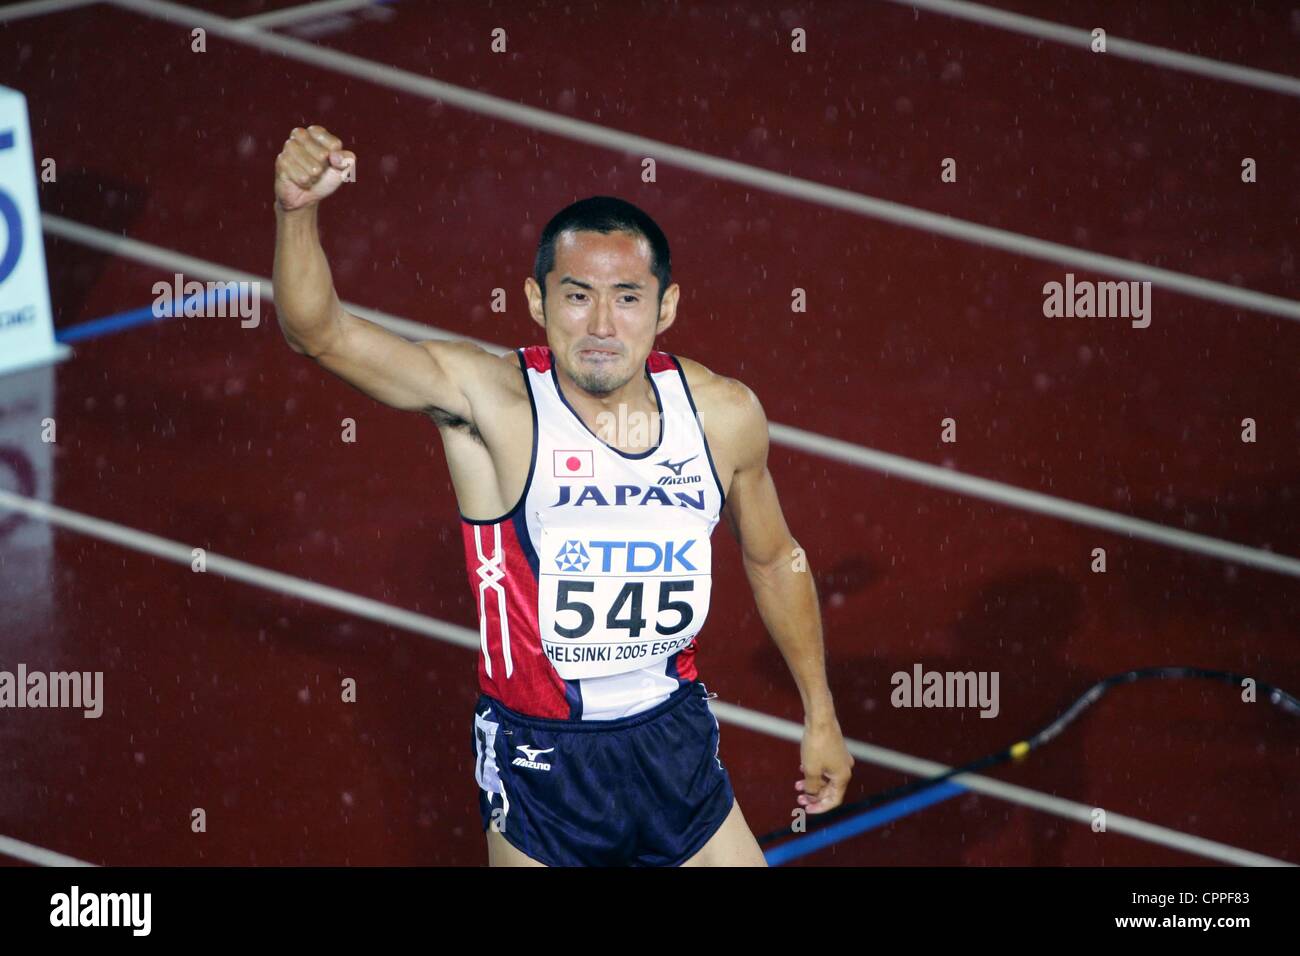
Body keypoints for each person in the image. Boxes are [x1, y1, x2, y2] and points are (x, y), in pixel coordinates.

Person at [272, 125, 853, 867]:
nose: (603, 326)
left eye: (627, 299)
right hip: (543, 762)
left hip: (672, 740)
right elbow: (318, 333)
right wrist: (297, 211)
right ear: (535, 301)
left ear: (666, 307)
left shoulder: (722, 414)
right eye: (576, 296)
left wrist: (821, 713)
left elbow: (775, 558)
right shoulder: (489, 403)